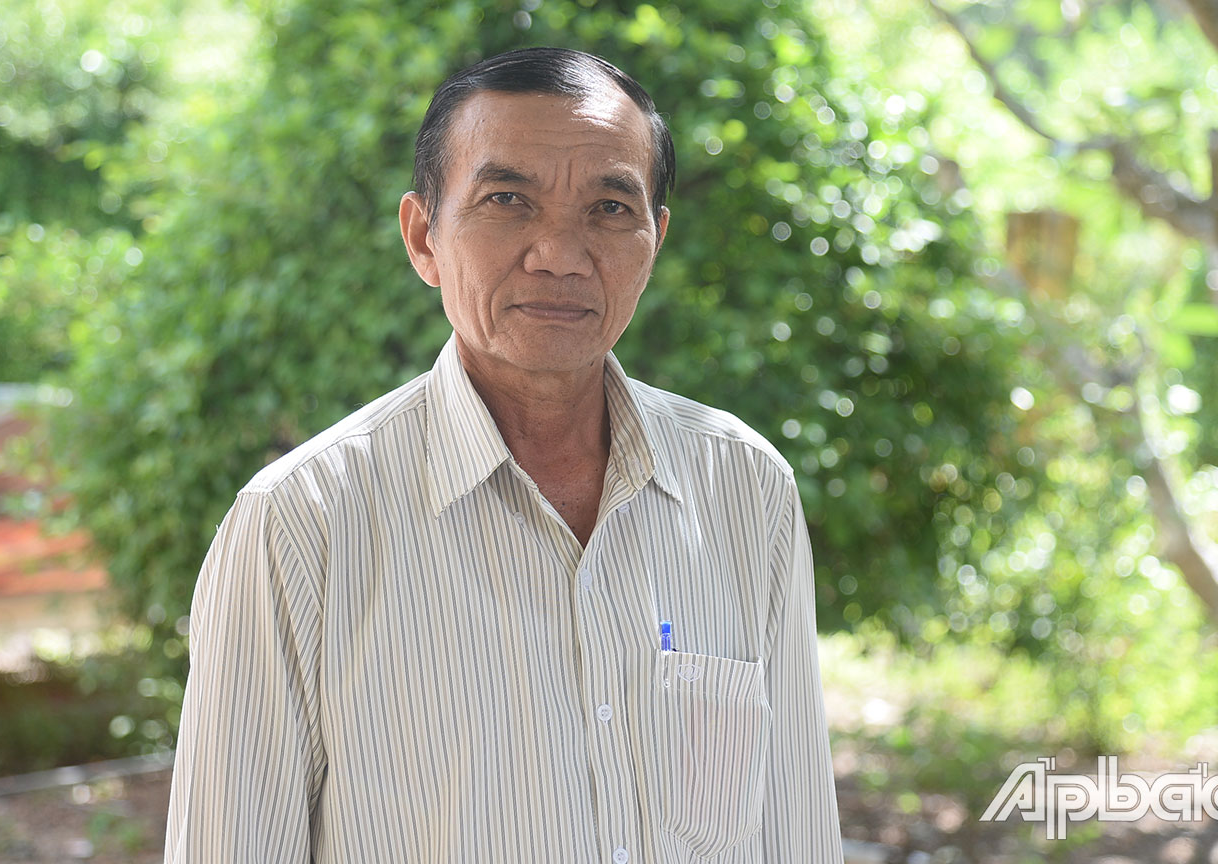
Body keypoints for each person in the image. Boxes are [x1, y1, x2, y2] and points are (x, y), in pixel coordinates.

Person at [164, 46, 844, 864]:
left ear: (654, 241)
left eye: (609, 208)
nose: (559, 252)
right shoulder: (299, 526)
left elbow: (795, 830)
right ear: (423, 237)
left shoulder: (744, 487)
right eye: (508, 200)